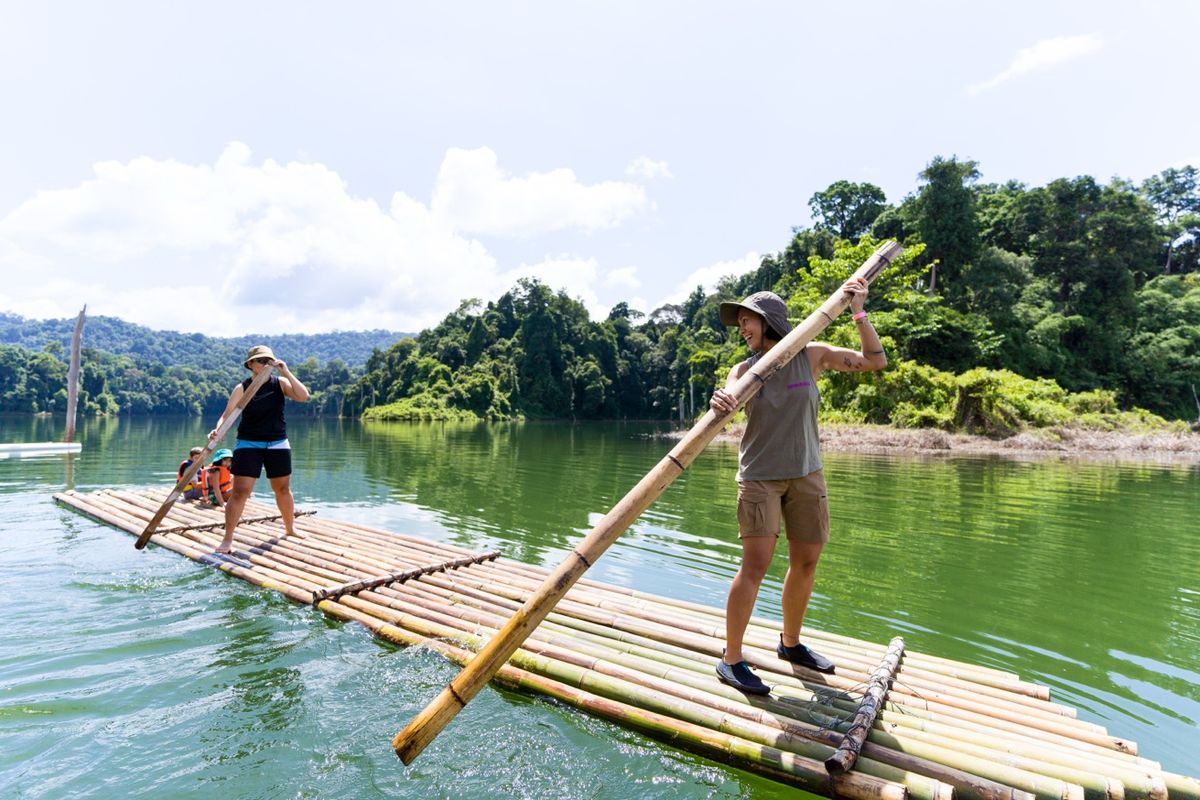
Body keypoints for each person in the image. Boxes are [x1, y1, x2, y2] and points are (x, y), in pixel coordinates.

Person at [709, 278, 886, 695]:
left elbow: (874, 361)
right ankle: (731, 659)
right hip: (759, 479)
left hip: (807, 474)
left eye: (746, 321)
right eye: (739, 324)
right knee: (755, 566)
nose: (741, 329)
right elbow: (719, 413)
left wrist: (859, 310)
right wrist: (718, 404)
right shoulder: (744, 371)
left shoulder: (812, 356)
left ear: (768, 320)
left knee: (805, 562)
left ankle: (790, 645)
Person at [208, 345, 310, 554]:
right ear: (251, 365)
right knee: (240, 491)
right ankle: (227, 540)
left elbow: (303, 396)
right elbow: (227, 415)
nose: (265, 364)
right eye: (260, 361)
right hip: (249, 442)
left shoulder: (280, 384)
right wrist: (218, 430)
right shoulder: (242, 388)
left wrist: (286, 371)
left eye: (268, 360)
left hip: (277, 442)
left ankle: (290, 528)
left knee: (282, 489)